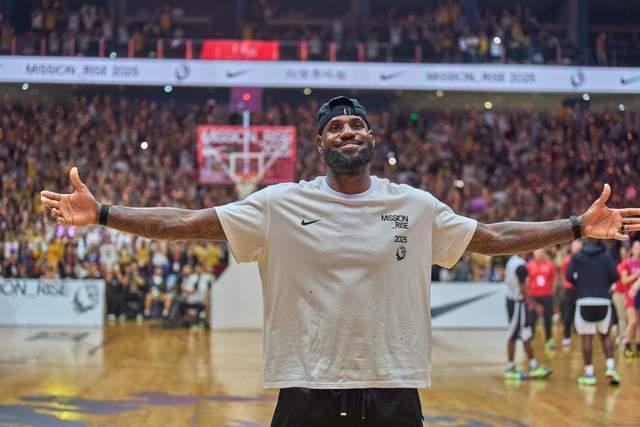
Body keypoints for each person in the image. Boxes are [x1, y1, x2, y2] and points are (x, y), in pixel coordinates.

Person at [40, 96, 640, 426]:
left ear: (372, 140)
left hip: (393, 387)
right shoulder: (278, 203)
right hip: (306, 389)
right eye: (336, 127)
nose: (347, 132)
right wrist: (105, 213)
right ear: (320, 144)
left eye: (357, 125)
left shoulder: (415, 205)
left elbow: (493, 236)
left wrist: (574, 226)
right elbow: (185, 222)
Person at [566, 239, 621, 385]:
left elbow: (569, 276)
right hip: (603, 300)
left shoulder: (577, 257)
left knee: (587, 338)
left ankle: (589, 374)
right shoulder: (606, 256)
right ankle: (610, 368)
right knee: (605, 336)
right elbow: (616, 276)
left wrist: (581, 285)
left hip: (584, 301)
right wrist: (603, 285)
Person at [503, 253, 552, 381]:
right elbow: (523, 288)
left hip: (516, 301)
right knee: (513, 335)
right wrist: (534, 305)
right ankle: (510, 368)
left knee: (526, 334)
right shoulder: (520, 265)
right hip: (517, 302)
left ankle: (533, 366)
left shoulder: (512, 261)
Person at [526, 249, 557, 350]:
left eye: (540, 252)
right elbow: (526, 281)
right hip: (533, 296)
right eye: (536, 252)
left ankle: (549, 340)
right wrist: (528, 296)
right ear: (533, 254)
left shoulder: (550, 265)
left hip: (546, 295)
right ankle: (530, 340)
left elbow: (554, 279)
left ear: (544, 253)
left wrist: (552, 292)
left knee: (548, 319)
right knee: (531, 320)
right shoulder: (529, 265)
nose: (538, 254)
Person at [560, 240, 582, 346]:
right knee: (568, 313)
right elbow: (563, 274)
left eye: (578, 248)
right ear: (572, 249)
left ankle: (580, 331)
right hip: (569, 289)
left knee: (581, 312)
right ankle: (566, 336)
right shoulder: (568, 260)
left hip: (581, 289)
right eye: (575, 248)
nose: (577, 250)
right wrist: (564, 286)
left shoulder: (584, 259)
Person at [621, 240, 640, 358]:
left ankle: (638, 346)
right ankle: (627, 345)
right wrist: (635, 275)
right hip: (630, 295)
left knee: (639, 322)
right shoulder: (627, 263)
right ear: (632, 249)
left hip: (639, 295)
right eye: (636, 247)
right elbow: (624, 280)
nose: (638, 250)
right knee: (632, 321)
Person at [612, 245, 629, 345]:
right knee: (622, 317)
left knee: (627, 318)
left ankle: (626, 335)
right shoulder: (619, 265)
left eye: (624, 252)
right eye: (621, 252)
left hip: (627, 294)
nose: (623, 254)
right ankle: (623, 335)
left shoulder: (629, 264)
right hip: (619, 294)